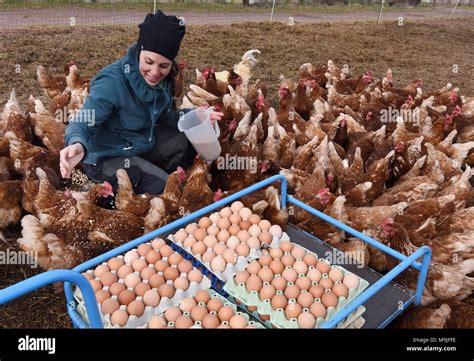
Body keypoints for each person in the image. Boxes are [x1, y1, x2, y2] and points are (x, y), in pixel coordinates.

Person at [60, 10, 223, 195]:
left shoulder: (164, 80)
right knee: (167, 190)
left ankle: (152, 175)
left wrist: (195, 115)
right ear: (139, 52)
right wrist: (77, 145)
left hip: (140, 143)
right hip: (107, 155)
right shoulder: (112, 82)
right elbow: (82, 123)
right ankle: (136, 185)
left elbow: (166, 116)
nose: (155, 72)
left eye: (163, 66)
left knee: (187, 140)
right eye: (149, 62)